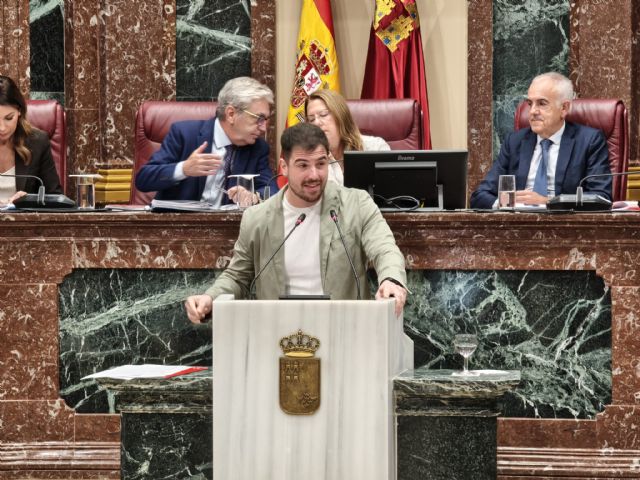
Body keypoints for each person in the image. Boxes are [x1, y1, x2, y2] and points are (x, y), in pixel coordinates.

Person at [185, 122, 408, 324]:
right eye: (303, 165)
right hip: (281, 337)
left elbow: (384, 248)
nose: (314, 175)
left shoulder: (356, 204)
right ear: (284, 167)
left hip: (344, 331)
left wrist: (391, 279)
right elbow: (238, 276)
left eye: (321, 164)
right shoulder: (257, 218)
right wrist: (210, 298)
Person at [470, 72, 611, 209]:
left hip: (564, 222)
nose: (532, 111)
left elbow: (600, 197)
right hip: (517, 220)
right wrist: (507, 203)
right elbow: (480, 196)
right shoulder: (514, 142)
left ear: (564, 108)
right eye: (530, 103)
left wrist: (548, 202)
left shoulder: (589, 141)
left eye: (542, 104)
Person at [135, 76, 279, 206]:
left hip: (228, 225)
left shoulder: (258, 148)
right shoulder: (184, 134)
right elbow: (143, 179)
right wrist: (184, 169)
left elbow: (271, 190)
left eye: (265, 120)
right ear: (231, 114)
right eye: (259, 119)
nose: (264, 128)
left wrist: (254, 197)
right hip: (178, 224)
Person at [304, 89, 390, 185]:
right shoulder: (308, 160)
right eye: (311, 119)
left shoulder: (375, 147)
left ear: (340, 116)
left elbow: (390, 188)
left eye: (323, 114)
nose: (316, 122)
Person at [0, 75, 62, 205]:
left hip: (21, 218)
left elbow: (55, 197)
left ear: (19, 111)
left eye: (9, 118)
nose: (2, 128)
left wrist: (30, 199)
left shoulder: (37, 142)